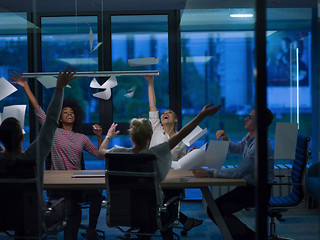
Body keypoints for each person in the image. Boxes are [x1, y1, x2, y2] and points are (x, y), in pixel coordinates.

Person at [99, 103, 221, 240]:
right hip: (155, 210)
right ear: (150, 138)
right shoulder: (157, 152)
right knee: (161, 212)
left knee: (151, 214)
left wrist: (108, 136)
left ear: (131, 135)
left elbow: (100, 152)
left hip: (127, 210)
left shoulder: (117, 152)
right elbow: (183, 134)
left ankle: (147, 232)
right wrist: (202, 115)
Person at [10, 71, 105, 240]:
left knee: (98, 196)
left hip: (77, 184)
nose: (69, 114)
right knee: (73, 209)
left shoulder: (82, 138)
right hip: (58, 183)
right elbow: (38, 110)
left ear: (76, 116)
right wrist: (25, 86)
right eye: (65, 111)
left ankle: (91, 229)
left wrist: (99, 137)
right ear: (59, 118)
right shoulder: (52, 131)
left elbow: (99, 155)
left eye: (72, 112)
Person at [0, 65, 76, 237]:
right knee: (63, 207)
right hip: (33, 217)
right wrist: (59, 88)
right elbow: (50, 122)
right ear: (21, 137)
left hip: (3, 216)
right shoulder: (32, 157)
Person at [192, 108, 274, 240]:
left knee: (215, 209)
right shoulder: (250, 138)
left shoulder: (260, 145)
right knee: (215, 208)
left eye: (250, 117)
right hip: (248, 187)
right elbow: (236, 148)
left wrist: (209, 173)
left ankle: (250, 237)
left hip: (257, 192)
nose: (246, 118)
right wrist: (225, 139)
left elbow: (238, 172)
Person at [144, 75, 203, 234]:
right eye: (164, 113)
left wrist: (190, 155)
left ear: (175, 120)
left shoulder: (181, 141)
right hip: (153, 178)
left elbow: (182, 164)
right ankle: (182, 222)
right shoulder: (156, 128)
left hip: (170, 180)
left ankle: (155, 231)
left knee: (161, 206)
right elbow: (152, 105)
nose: (165, 113)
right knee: (159, 206)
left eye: (169, 113)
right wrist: (151, 83)